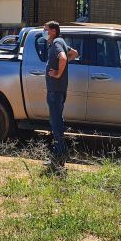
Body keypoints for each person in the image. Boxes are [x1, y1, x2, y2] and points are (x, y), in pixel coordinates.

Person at [43, 21, 78, 172]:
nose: (44, 32)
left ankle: (59, 157)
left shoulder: (57, 42)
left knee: (56, 122)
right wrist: (61, 66)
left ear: (52, 31)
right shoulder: (61, 41)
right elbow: (74, 53)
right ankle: (60, 155)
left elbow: (63, 58)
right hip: (58, 90)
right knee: (57, 120)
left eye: (45, 30)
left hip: (55, 90)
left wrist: (57, 73)